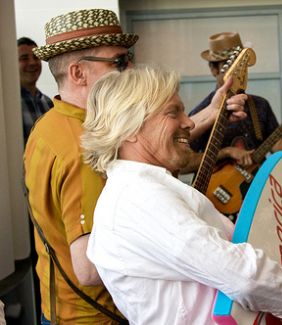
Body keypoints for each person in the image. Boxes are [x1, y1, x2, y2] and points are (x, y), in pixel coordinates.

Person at [24, 9, 246, 324]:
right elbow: (88, 268)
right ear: (77, 73)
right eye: (119, 62)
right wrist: (177, 245)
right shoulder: (82, 149)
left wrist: (211, 112)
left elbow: (141, 144)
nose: (130, 69)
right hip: (97, 317)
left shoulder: (52, 126)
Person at [81, 66, 282, 325]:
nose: (188, 122)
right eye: (173, 112)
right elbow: (241, 275)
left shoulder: (140, 191)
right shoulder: (140, 198)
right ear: (130, 128)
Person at [184, 32, 282, 173]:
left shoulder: (260, 105)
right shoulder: (201, 113)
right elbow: (184, 165)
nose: (236, 70)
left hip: (257, 190)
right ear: (214, 69)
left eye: (240, 63)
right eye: (229, 64)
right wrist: (226, 152)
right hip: (215, 192)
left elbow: (281, 150)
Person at [18, 37, 53, 143]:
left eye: (36, 57)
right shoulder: (7, 106)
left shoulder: (48, 103)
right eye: (24, 58)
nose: (32, 63)